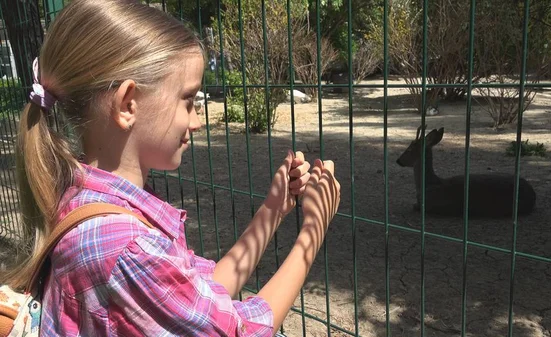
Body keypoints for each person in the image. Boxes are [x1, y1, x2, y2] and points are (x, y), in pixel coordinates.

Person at [0, 0, 341, 336]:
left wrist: (273, 209)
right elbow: (235, 331)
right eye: (189, 100)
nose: (196, 121)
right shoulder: (126, 247)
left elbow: (203, 295)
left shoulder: (90, 202)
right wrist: (312, 234)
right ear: (127, 104)